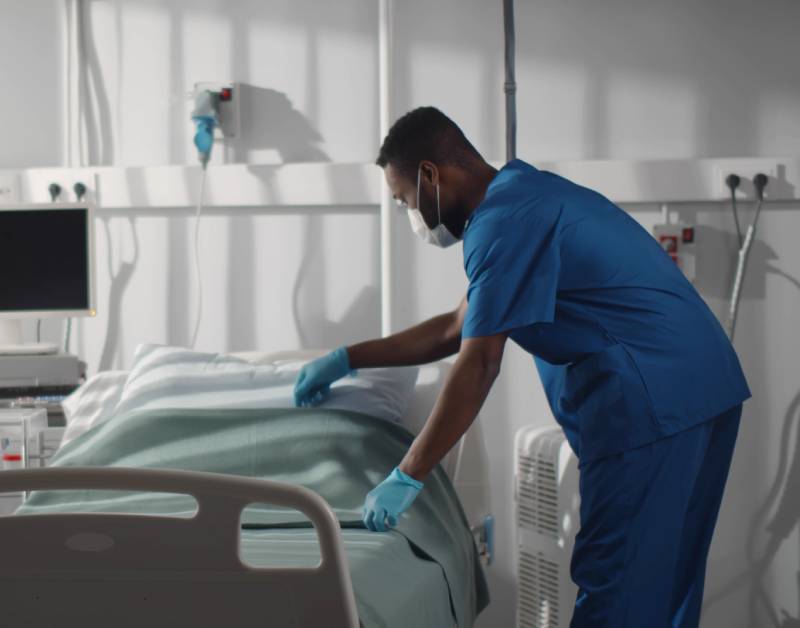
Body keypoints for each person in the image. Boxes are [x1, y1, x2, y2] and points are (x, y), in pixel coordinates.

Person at [292, 106, 749, 627]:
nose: (410, 216)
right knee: (667, 587)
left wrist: (408, 474)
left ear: (429, 175)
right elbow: (454, 328)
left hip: (651, 405)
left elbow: (479, 362)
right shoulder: (524, 197)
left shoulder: (503, 224)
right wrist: (349, 358)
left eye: (403, 200)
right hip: (704, 388)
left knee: (617, 587)